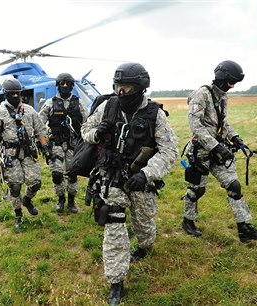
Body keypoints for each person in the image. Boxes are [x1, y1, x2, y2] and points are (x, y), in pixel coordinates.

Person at [81, 63, 178, 305]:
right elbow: (86, 129)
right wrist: (97, 134)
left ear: (140, 88)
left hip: (140, 179)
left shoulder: (154, 114)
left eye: (126, 88)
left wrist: (146, 174)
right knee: (113, 224)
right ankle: (116, 281)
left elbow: (169, 151)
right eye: (117, 87)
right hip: (111, 177)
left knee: (143, 222)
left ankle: (145, 246)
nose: (121, 92)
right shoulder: (107, 106)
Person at [181, 60, 257, 243]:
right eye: (231, 81)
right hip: (201, 152)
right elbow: (195, 126)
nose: (232, 85)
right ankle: (188, 221)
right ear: (222, 77)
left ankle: (244, 229)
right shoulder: (202, 94)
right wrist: (216, 146)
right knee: (196, 190)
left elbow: (223, 123)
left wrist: (235, 137)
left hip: (219, 151)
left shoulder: (223, 97)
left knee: (234, 186)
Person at [0, 78, 50, 230]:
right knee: (15, 186)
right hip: (10, 154)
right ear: (6, 94)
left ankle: (28, 200)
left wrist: (45, 146)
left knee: (36, 183)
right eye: (12, 94)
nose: (16, 96)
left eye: (18, 93)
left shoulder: (30, 110)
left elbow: (40, 130)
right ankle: (18, 215)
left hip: (29, 152)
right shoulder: (0, 112)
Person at [38, 73, 89, 213]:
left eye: (67, 83)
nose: (65, 86)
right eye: (62, 83)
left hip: (74, 144)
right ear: (58, 85)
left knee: (72, 174)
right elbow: (38, 124)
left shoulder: (79, 104)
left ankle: (72, 201)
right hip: (56, 143)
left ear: (72, 85)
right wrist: (41, 142)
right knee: (56, 175)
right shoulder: (50, 103)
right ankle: (61, 198)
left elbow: (88, 122)